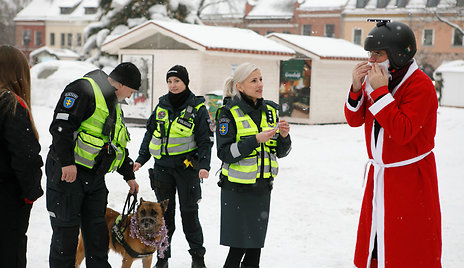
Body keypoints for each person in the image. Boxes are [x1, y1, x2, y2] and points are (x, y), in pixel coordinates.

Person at [344, 21, 441, 268]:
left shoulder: (421, 86)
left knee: (406, 245)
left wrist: (380, 93)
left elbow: (403, 132)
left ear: (398, 54)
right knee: (376, 239)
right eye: (370, 53)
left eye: (378, 53)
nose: (371, 59)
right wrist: (357, 88)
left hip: (409, 179)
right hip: (380, 176)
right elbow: (355, 120)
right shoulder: (379, 79)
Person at [46, 62, 141, 267]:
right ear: (121, 84)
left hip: (94, 179)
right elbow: (61, 126)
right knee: (66, 237)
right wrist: (66, 163)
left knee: (98, 238)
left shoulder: (113, 105)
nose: (130, 97)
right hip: (67, 175)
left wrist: (129, 175)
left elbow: (115, 145)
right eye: (131, 91)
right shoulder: (82, 90)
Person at [134, 65, 213, 268]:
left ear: (185, 82)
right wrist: (141, 159)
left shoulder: (197, 108)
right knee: (164, 218)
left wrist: (204, 165)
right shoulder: (161, 106)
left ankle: (197, 258)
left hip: (187, 171)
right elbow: (150, 134)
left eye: (177, 81)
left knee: (189, 215)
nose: (173, 85)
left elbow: (205, 140)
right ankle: (162, 258)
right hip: (162, 170)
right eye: (170, 81)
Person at [216, 62, 292, 268]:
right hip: (237, 189)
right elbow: (224, 153)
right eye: (253, 81)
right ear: (239, 86)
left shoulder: (270, 110)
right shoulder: (227, 113)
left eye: (260, 79)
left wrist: (284, 137)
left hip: (262, 189)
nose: (260, 84)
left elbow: (280, 152)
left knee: (254, 250)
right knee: (238, 248)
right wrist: (254, 140)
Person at [0, 45, 43, 268]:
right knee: (10, 250)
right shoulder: (11, 104)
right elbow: (25, 156)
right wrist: (31, 192)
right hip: (8, 197)